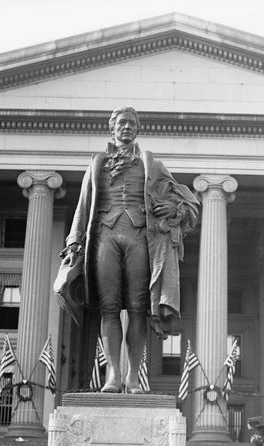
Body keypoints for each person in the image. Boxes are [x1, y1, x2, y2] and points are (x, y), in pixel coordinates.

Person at [58, 106, 200, 393]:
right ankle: (113, 375)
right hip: (104, 236)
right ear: (112, 128)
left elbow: (189, 204)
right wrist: (74, 240)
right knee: (108, 308)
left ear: (137, 129)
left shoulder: (152, 165)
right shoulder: (97, 162)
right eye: (122, 123)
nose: (127, 127)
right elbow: (83, 206)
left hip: (140, 237)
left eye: (132, 123)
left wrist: (173, 207)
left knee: (137, 308)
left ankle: (133, 376)